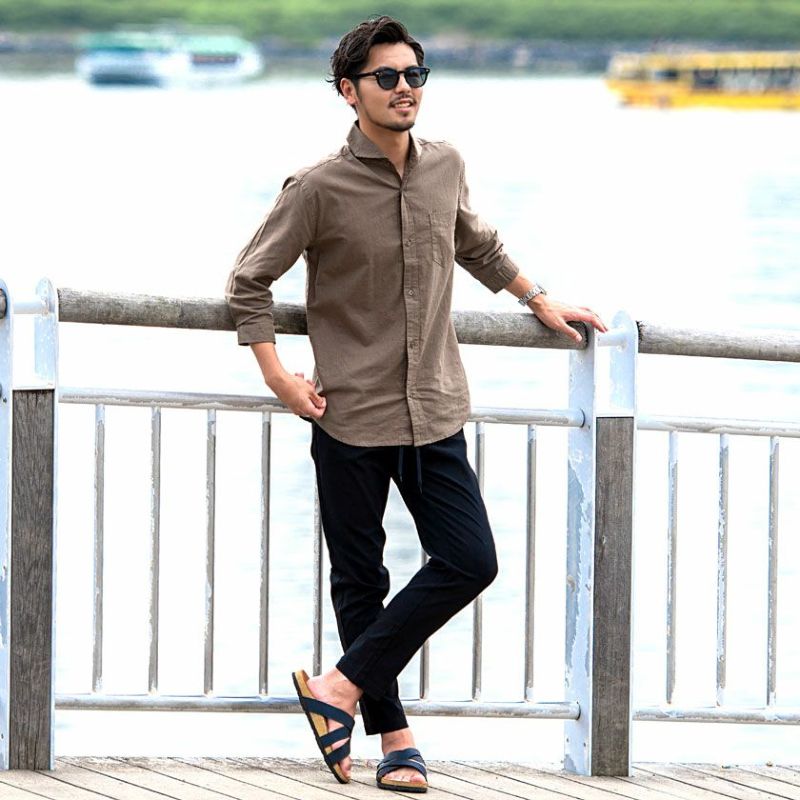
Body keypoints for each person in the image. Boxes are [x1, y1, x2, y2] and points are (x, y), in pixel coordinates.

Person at [225, 15, 607, 792]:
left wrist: (537, 297)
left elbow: (476, 243)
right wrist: (278, 377)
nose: (405, 89)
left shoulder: (446, 165)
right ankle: (395, 740)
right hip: (348, 412)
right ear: (349, 90)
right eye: (387, 78)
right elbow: (248, 283)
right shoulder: (316, 189)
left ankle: (336, 688)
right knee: (359, 580)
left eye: (414, 75)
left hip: (434, 408)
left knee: (470, 559)